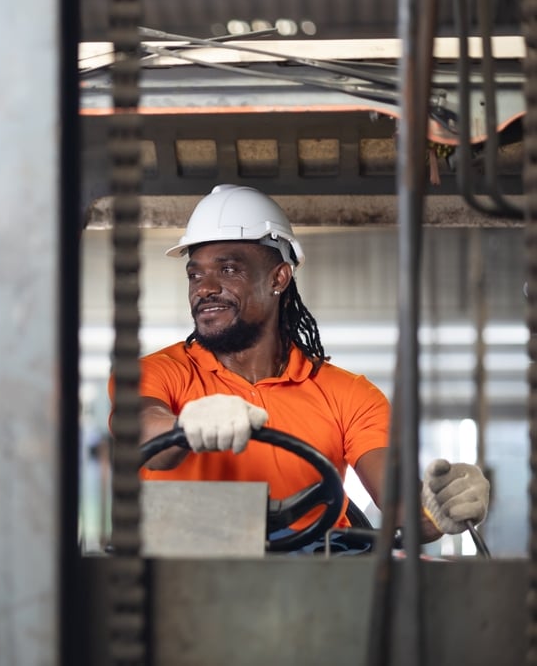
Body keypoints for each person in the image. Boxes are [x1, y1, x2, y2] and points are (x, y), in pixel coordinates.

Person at [134, 183, 490, 548]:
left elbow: (404, 508)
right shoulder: (158, 372)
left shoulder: (349, 396)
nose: (204, 288)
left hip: (314, 577)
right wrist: (184, 426)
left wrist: (439, 507)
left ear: (279, 278)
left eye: (228, 269)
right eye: (195, 275)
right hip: (183, 571)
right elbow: (143, 433)